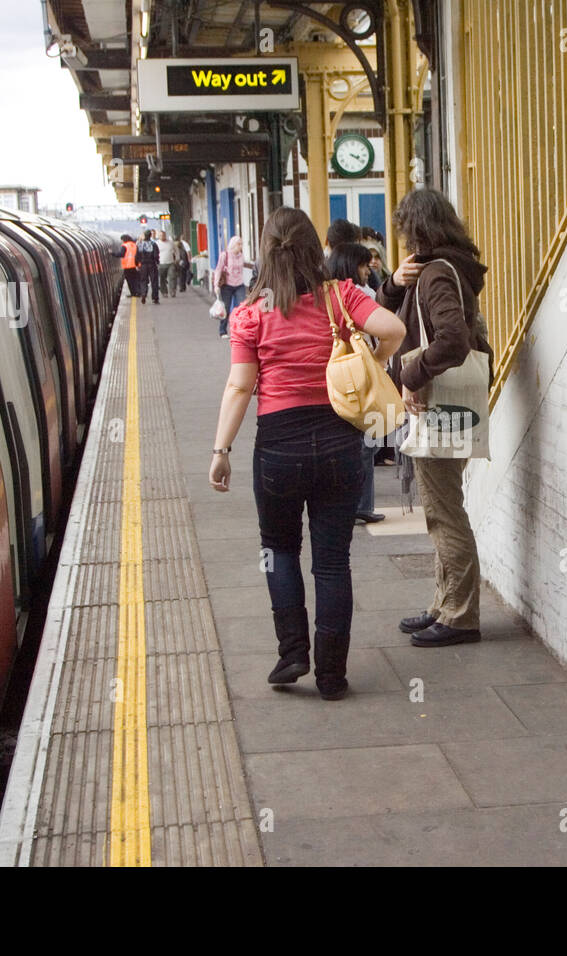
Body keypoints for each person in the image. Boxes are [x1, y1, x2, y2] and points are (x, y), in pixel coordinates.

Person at [209, 207, 405, 700]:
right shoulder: (341, 297)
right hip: (339, 443)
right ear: (312, 246)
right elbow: (394, 331)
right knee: (333, 562)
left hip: (278, 447)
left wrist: (221, 450)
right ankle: (333, 675)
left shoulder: (251, 313)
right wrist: (370, 364)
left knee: (279, 551)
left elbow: (239, 387)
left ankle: (292, 652)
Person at [376, 188, 491, 648]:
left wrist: (410, 373)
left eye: (406, 229)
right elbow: (384, 311)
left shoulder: (437, 276)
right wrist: (394, 283)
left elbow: (452, 339)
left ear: (417, 229)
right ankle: (445, 604)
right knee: (442, 508)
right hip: (452, 402)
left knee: (445, 513)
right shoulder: (444, 268)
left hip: (440, 401)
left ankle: (460, 617)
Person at [326, 242, 386, 526]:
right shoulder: (360, 294)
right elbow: (392, 330)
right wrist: (380, 360)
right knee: (369, 439)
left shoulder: (326, 294)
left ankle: (351, 503)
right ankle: (362, 504)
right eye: (364, 265)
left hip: (339, 374)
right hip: (362, 373)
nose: (367, 270)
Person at [212, 235, 250, 339]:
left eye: (241, 244)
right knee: (226, 308)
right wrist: (216, 285)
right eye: (239, 244)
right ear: (233, 244)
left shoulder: (241, 256)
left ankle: (239, 330)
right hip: (227, 285)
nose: (241, 246)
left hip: (239, 285)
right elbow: (218, 269)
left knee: (241, 307)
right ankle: (222, 331)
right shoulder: (225, 255)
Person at [137, 230, 160, 304]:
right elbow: (156, 255)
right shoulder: (153, 244)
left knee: (143, 281)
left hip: (143, 266)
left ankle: (143, 294)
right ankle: (155, 298)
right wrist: (157, 262)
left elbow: (137, 256)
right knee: (154, 281)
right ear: (150, 236)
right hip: (152, 265)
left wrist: (137, 264)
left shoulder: (140, 244)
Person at [157, 230, 177, 298]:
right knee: (162, 279)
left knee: (172, 277)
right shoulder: (156, 244)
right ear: (158, 236)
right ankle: (164, 292)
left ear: (165, 235)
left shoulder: (171, 243)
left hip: (170, 263)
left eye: (163, 235)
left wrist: (177, 259)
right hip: (161, 264)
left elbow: (176, 250)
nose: (162, 237)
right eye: (161, 235)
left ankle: (172, 291)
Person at [119, 234, 139, 298]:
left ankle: (133, 293)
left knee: (130, 281)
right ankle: (138, 292)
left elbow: (121, 254)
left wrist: (112, 253)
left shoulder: (124, 246)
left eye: (122, 240)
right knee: (136, 280)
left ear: (124, 240)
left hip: (127, 266)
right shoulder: (134, 245)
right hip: (135, 266)